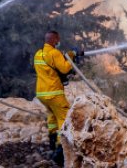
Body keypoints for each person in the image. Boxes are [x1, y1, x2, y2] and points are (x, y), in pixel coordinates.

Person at [34, 30, 78, 166]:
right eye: (58, 39)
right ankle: (59, 155)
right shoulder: (54, 53)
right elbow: (64, 69)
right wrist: (72, 57)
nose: (59, 42)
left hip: (42, 94)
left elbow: (52, 66)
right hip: (54, 94)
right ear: (54, 40)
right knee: (65, 120)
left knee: (52, 118)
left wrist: (69, 55)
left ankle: (52, 145)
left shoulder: (38, 53)